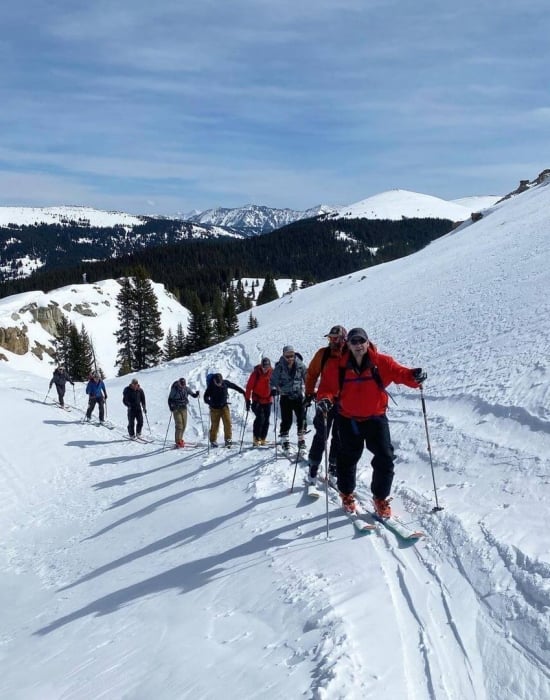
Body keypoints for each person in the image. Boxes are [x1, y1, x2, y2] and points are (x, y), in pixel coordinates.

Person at [333, 327, 426, 517]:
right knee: (347, 458)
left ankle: (380, 498)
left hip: (375, 418)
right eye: (354, 342)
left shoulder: (381, 362)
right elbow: (327, 386)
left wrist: (414, 377)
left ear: (368, 343)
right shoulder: (340, 366)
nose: (358, 345)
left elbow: (400, 373)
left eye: (361, 341)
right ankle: (346, 494)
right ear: (348, 345)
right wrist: (325, 399)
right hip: (348, 419)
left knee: (385, 457)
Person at [304, 325, 347, 483]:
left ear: (343, 338)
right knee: (322, 435)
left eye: (334, 338)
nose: (331, 341)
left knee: (339, 437)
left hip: (344, 403)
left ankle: (333, 467)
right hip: (325, 400)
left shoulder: (349, 354)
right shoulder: (323, 354)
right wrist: (309, 393)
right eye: (330, 338)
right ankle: (313, 468)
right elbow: (312, 373)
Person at [270, 345, 307, 453]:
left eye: (292, 355)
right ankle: (285, 440)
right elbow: (272, 381)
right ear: (283, 355)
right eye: (288, 356)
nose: (290, 358)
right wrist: (273, 389)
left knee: (301, 418)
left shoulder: (300, 366)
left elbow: (307, 378)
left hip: (298, 395)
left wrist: (310, 392)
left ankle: (301, 440)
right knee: (287, 419)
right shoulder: (279, 367)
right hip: (285, 396)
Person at [203, 373, 245, 448]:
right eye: (217, 383)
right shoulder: (211, 386)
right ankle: (213, 440)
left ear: (222, 380)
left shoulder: (225, 383)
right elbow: (205, 397)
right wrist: (209, 402)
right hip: (214, 409)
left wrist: (243, 392)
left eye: (220, 383)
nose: (219, 384)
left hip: (224, 407)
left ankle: (228, 440)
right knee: (215, 425)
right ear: (214, 381)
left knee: (228, 423)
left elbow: (234, 386)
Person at [245, 357, 273, 446]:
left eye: (267, 367)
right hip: (257, 399)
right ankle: (256, 438)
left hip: (268, 399)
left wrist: (276, 390)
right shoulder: (256, 373)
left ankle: (263, 438)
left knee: (267, 420)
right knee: (260, 418)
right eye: (264, 367)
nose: (265, 369)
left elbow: (277, 383)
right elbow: (249, 387)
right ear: (261, 366)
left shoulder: (272, 373)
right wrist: (247, 400)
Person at [168, 377, 199, 448]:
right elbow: (170, 399)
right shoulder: (174, 389)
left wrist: (196, 394)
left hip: (183, 408)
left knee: (184, 425)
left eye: (183, 384)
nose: (182, 386)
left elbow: (192, 395)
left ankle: (180, 439)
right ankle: (178, 441)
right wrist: (171, 407)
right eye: (181, 385)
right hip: (176, 408)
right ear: (179, 383)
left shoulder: (186, 388)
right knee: (179, 425)